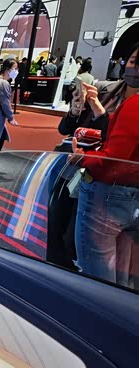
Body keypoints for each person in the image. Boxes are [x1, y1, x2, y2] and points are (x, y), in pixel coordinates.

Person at [71, 89, 139, 288]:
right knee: (123, 276)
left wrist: (83, 157)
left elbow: (113, 160)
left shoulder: (134, 104)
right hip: (132, 197)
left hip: (109, 196)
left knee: (97, 279)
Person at [58, 43, 139, 139]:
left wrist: (100, 112)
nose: (136, 68)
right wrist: (74, 112)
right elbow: (64, 129)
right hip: (79, 147)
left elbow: (118, 139)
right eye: (133, 61)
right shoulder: (100, 89)